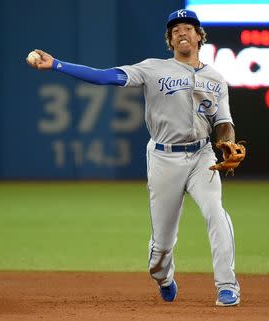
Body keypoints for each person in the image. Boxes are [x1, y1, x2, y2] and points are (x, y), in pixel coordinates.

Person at [27, 9, 244, 306]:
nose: (182, 32)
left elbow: (223, 122)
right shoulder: (153, 68)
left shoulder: (216, 78)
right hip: (164, 158)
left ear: (199, 35)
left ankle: (227, 285)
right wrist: (57, 65)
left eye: (188, 27)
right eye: (176, 29)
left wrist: (228, 143)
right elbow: (107, 78)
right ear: (170, 39)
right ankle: (163, 277)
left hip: (202, 155)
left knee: (216, 213)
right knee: (161, 248)